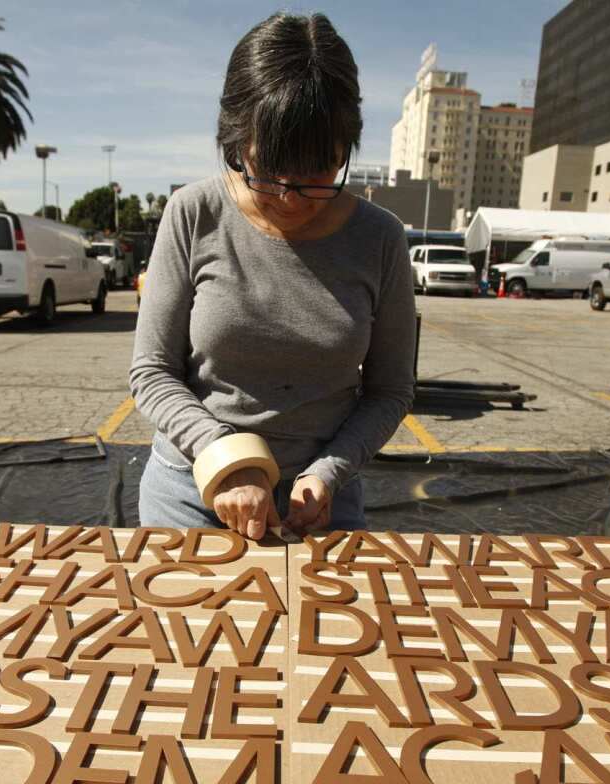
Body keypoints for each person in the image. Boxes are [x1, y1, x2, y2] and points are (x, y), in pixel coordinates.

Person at [129, 12, 416, 540]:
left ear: (346, 148)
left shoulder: (381, 238)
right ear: (236, 140)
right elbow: (151, 372)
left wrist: (328, 472)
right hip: (194, 491)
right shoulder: (193, 212)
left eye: (317, 173)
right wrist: (228, 458)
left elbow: (391, 389)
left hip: (322, 501)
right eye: (268, 168)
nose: (288, 197)